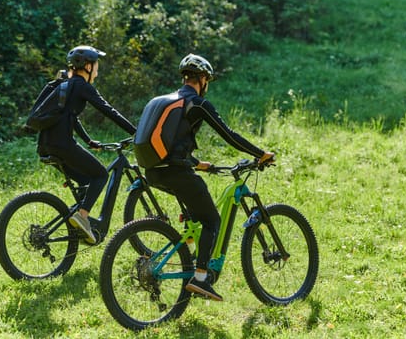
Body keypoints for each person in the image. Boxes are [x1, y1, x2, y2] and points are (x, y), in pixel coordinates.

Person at [144, 53, 275, 301]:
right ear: (202, 79)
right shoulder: (198, 103)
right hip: (175, 171)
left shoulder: (171, 100)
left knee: (195, 211)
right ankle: (201, 277)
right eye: (207, 81)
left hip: (154, 171)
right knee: (212, 220)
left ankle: (189, 257)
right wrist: (260, 154)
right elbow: (229, 134)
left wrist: (195, 163)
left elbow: (173, 141)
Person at [37, 45, 136, 244]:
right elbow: (108, 110)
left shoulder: (66, 84)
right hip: (62, 144)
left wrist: (89, 141)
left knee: (86, 180)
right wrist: (137, 132)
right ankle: (82, 217)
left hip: (46, 144)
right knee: (100, 175)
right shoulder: (82, 86)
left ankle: (80, 228)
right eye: (97, 64)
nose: (98, 69)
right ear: (88, 66)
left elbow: (70, 117)